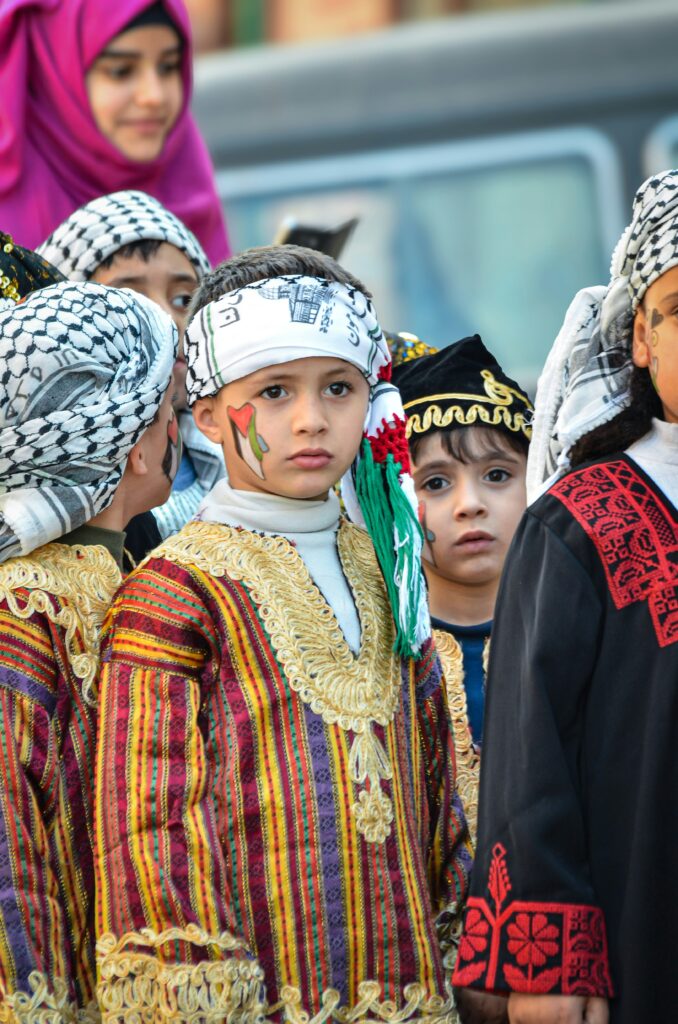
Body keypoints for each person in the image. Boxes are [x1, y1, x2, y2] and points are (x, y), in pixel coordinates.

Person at [93, 245, 473, 1023]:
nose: (310, 419)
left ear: (371, 401)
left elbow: (438, 788)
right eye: (273, 392)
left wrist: (466, 941)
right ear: (204, 415)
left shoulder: (390, 570)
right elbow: (152, 822)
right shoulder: (173, 594)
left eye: (338, 387)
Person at [453, 169, 678, 1024]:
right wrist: (549, 965)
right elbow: (530, 755)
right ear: (642, 340)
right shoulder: (578, 524)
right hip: (647, 937)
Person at [0, 281, 177, 1020]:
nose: (181, 427)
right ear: (134, 447)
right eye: (169, 409)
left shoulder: (140, 581)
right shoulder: (20, 610)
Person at [393, 336, 532, 846]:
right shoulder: (373, 648)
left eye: (497, 475)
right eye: (434, 483)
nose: (470, 504)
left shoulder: (576, 636)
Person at [40, 189, 226, 539]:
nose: (169, 319)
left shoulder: (235, 450)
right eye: (130, 300)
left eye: (185, 298)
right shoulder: (52, 490)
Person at [0, 0, 228, 262]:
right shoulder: (7, 223)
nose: (153, 96)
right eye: (121, 71)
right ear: (55, 74)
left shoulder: (187, 181)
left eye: (168, 66)